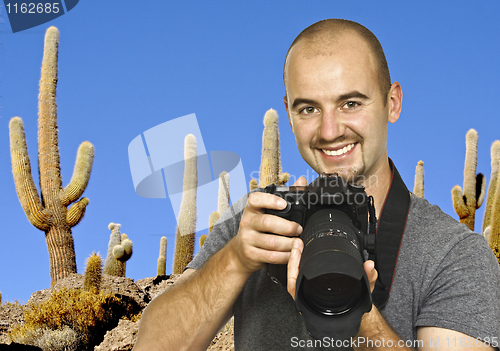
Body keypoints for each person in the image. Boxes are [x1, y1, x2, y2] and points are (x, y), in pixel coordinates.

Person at [133, 19, 500, 350]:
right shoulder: (257, 222)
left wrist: (358, 313)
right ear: (289, 114)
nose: (329, 131)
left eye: (351, 103)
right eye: (308, 108)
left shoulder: (454, 255)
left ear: (392, 103)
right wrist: (236, 260)